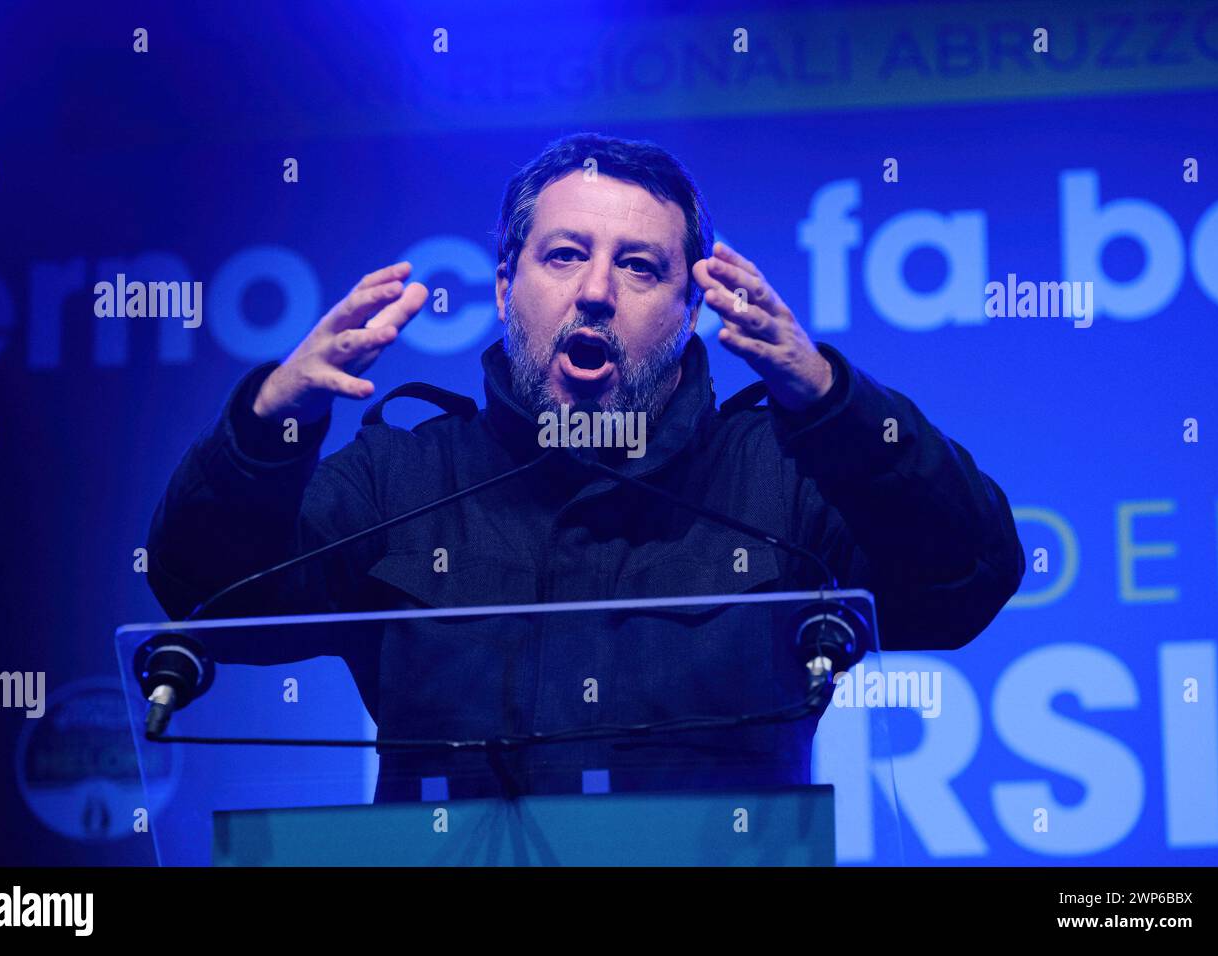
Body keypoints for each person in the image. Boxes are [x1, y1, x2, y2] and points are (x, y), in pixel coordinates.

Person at [147, 132, 1024, 800]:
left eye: (639, 266)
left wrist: (834, 404)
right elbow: (207, 597)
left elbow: (964, 581)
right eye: (564, 255)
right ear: (503, 285)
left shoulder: (781, 476)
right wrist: (270, 426)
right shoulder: (402, 478)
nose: (596, 289)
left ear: (689, 309)